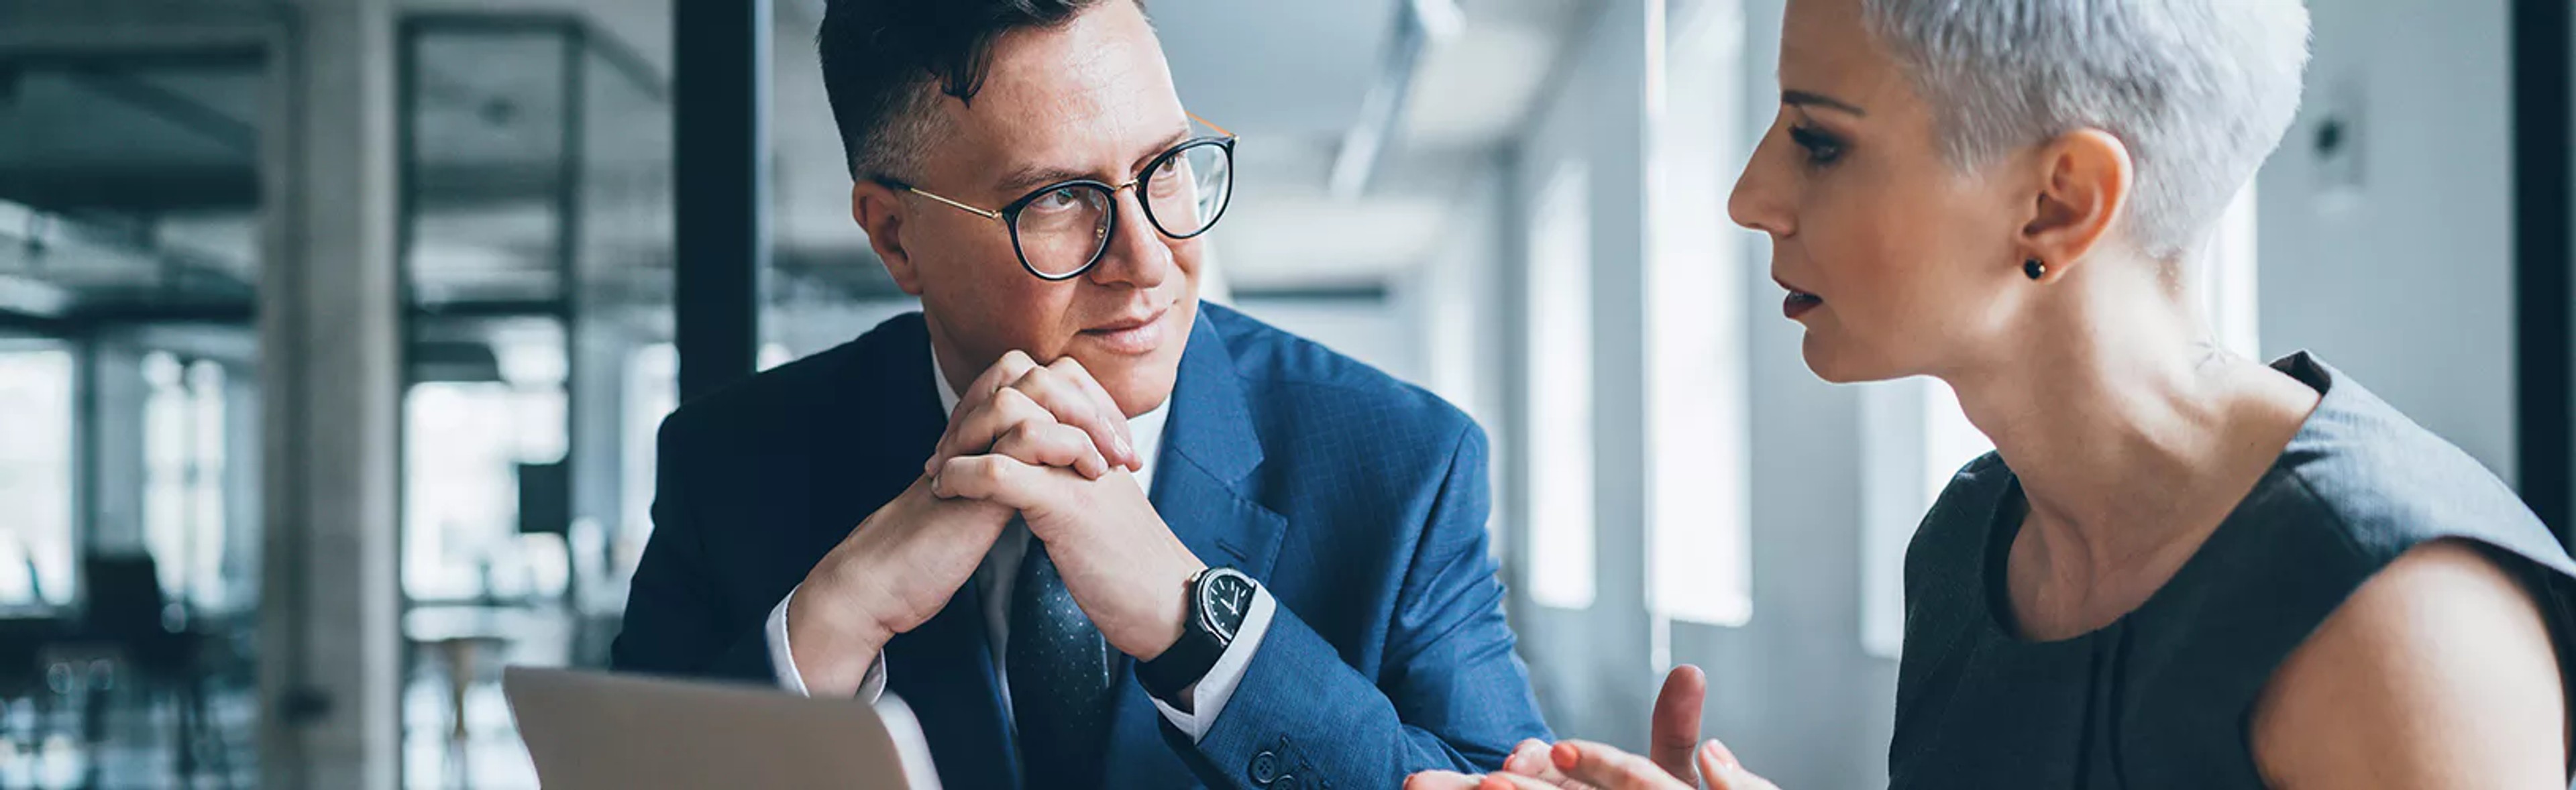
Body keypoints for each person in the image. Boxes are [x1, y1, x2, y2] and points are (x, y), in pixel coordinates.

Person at [1415, 0, 2576, 787]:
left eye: (1818, 141)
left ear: (2058, 204)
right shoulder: (1970, 541)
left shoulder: (2399, 627)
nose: (1749, 193)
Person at [610, 0, 1550, 787]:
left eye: (1167, 167)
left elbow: (1496, 776)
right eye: (1058, 199)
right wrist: (838, 614)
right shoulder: (729, 464)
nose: (1151, 261)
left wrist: (1202, 631)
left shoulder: (1406, 462)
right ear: (895, 236)